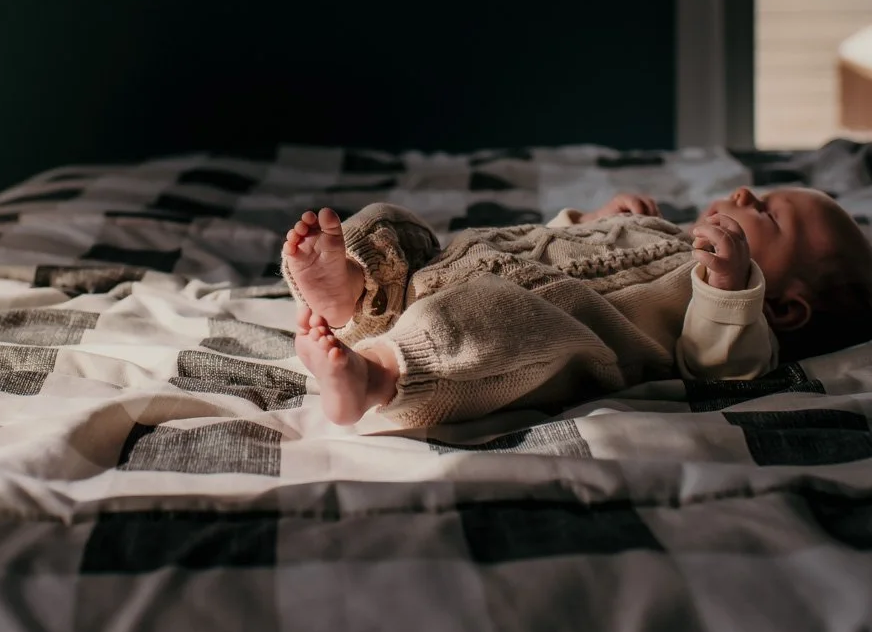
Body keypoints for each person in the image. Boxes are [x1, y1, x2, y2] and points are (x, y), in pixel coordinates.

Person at [280, 186, 872, 428]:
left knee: (489, 319)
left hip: (521, 316)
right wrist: (590, 220)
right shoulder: (665, 227)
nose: (743, 192)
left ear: (785, 309)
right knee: (393, 225)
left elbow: (719, 370)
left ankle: (373, 374)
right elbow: (549, 240)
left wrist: (729, 288)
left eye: (765, 212)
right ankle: (351, 291)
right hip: (460, 262)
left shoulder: (742, 314)